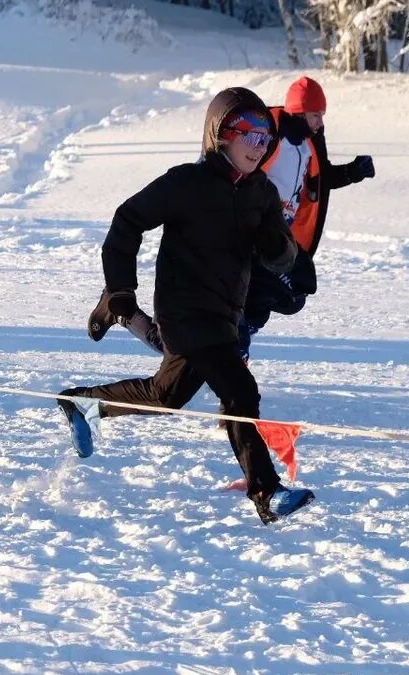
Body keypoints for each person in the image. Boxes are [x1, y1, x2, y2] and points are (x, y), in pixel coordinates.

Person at [58, 87, 314, 525]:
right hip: (183, 312)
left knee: (167, 395)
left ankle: (83, 403)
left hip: (224, 314)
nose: (260, 146)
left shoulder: (261, 194)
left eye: (265, 139)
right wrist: (121, 289)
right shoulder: (186, 183)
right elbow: (126, 221)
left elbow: (282, 255)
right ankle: (266, 492)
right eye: (250, 135)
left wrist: (281, 251)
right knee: (240, 390)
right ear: (221, 134)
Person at [238, 76, 376, 360]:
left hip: (282, 237)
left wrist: (353, 172)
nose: (320, 123)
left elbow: (320, 181)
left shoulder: (306, 146)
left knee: (297, 290)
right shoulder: (270, 137)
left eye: (322, 116)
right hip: (254, 234)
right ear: (298, 112)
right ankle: (233, 348)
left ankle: (238, 335)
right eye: (315, 115)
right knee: (260, 290)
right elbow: (239, 174)